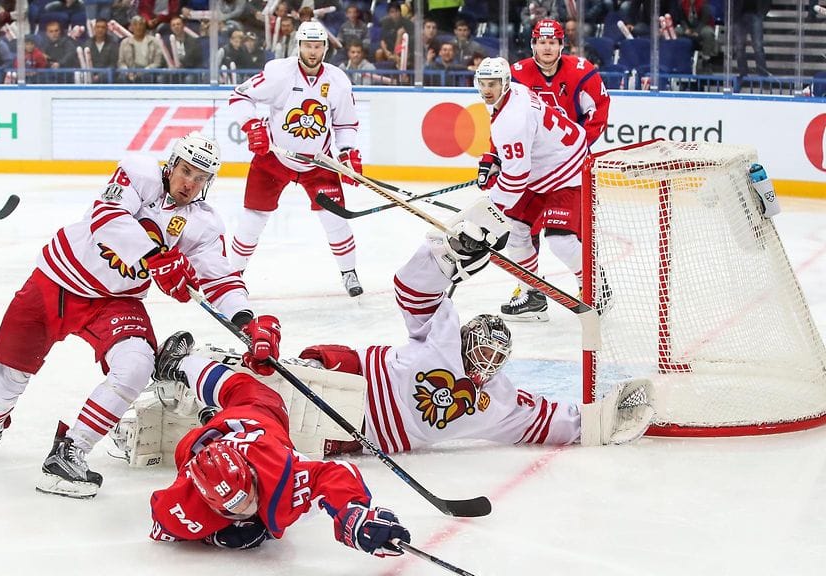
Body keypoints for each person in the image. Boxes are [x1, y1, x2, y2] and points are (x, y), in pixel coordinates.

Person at [0, 133, 282, 499]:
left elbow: (220, 279)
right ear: (171, 164)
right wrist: (156, 258)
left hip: (115, 301)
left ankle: (70, 451)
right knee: (9, 371)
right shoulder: (138, 173)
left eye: (200, 178)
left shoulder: (204, 225)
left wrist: (247, 322)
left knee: (136, 363)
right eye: (185, 171)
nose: (190, 184)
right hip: (57, 279)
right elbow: (107, 216)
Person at [298, 230, 654, 453]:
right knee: (276, 382)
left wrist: (598, 421)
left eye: (496, 359)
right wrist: (449, 252)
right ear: (468, 339)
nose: (486, 364)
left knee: (286, 434)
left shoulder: (497, 402)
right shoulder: (444, 334)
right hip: (351, 374)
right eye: (483, 351)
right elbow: (413, 290)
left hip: (364, 433)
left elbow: (542, 421)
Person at [148, 331, 413, 556]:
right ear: (210, 503)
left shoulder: (274, 466)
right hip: (197, 447)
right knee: (237, 395)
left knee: (255, 393)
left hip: (254, 420)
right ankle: (203, 406)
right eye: (236, 507)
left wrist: (354, 514)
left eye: (249, 493)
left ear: (250, 474)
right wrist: (214, 536)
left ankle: (180, 364)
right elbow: (161, 523)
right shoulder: (186, 503)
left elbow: (332, 474)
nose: (248, 507)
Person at [228, 21, 365, 298]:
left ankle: (348, 272)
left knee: (336, 220)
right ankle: (232, 276)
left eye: (317, 46)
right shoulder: (279, 73)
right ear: (299, 46)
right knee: (252, 220)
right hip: (273, 160)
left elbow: (345, 124)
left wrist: (347, 154)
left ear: (325, 47)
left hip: (319, 163)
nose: (312, 52)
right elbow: (239, 96)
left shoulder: (338, 81)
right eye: (307, 46)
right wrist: (253, 126)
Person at [474, 56, 601, 322]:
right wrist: (493, 158)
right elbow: (518, 151)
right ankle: (533, 294)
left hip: (569, 168)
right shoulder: (515, 94)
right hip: (544, 168)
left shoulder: (512, 119)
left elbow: (517, 178)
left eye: (493, 84)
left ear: (505, 83)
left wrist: (489, 211)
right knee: (517, 233)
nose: (487, 90)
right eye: (483, 83)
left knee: (560, 240)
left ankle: (595, 288)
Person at [511, 19, 610, 147]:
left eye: (552, 42)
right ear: (534, 45)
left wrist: (580, 146)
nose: (547, 48)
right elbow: (504, 117)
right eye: (542, 42)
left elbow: (599, 111)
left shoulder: (583, 72)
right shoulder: (516, 74)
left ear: (561, 45)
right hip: (531, 153)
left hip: (570, 154)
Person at [118, 15, 164, 82]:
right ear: (131, 27)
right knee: (121, 78)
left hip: (148, 72)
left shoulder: (154, 41)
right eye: (135, 25)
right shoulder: (124, 43)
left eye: (141, 24)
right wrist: (127, 72)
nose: (138, 27)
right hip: (131, 72)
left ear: (145, 26)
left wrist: (145, 71)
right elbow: (121, 62)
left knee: (147, 77)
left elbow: (157, 62)